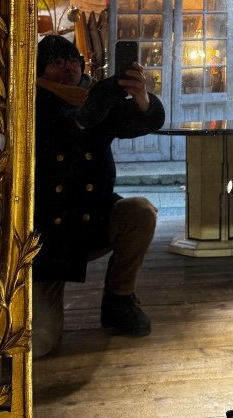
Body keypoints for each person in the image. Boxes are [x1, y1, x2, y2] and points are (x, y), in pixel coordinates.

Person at [32, 33, 166, 356]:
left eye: (73, 60)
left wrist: (141, 98)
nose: (67, 68)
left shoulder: (93, 96)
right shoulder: (31, 102)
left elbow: (139, 122)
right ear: (39, 70)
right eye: (56, 62)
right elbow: (65, 127)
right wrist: (92, 108)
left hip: (94, 221)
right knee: (40, 343)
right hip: (48, 239)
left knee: (140, 213)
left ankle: (119, 299)